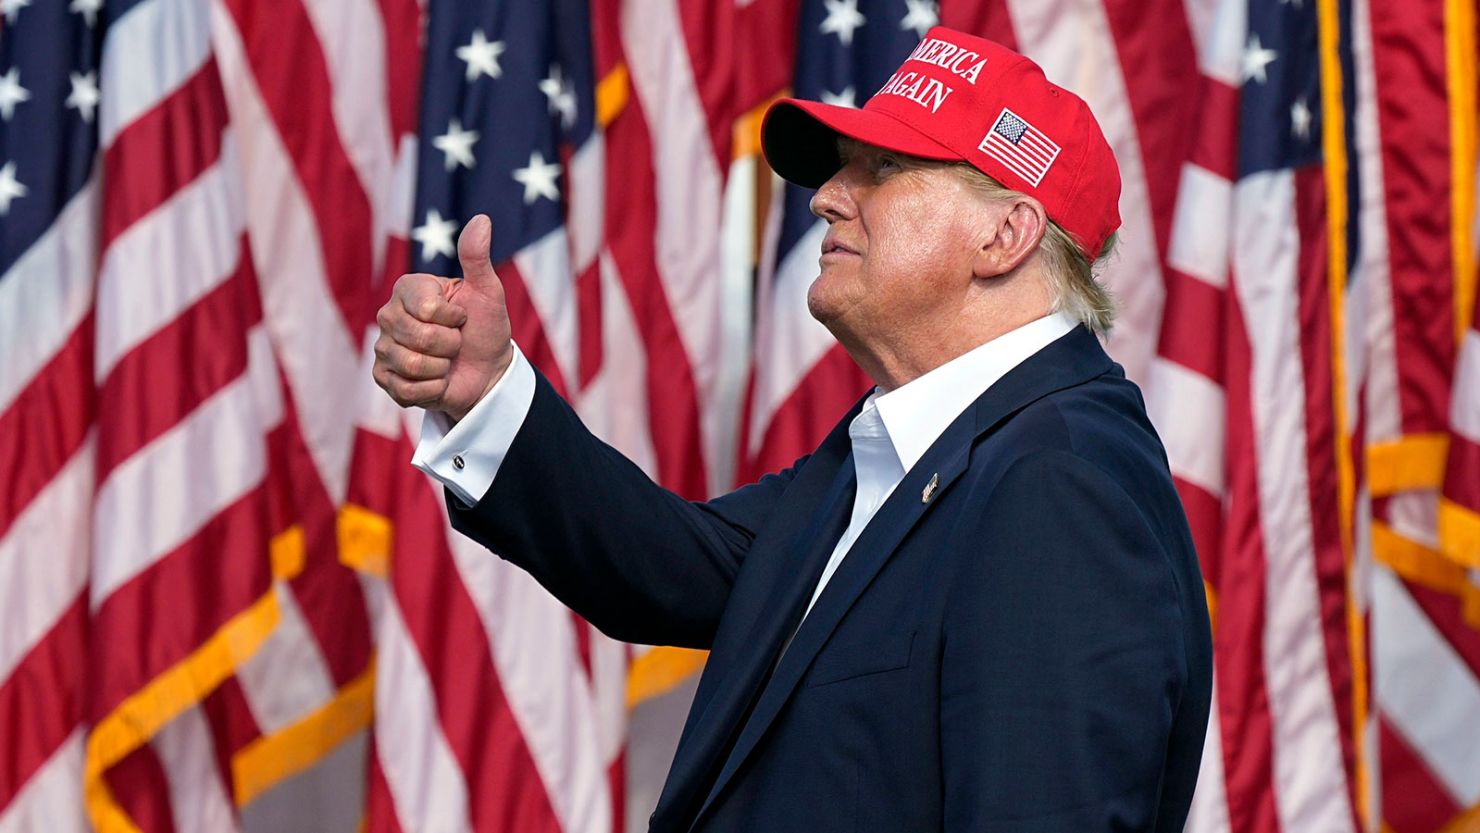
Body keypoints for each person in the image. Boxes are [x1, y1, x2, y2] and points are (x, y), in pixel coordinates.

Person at [373, 26, 1212, 833]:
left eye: (881, 168)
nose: (826, 198)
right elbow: (666, 563)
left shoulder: (1058, 486)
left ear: (1004, 234)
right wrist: (487, 393)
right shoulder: (912, 449)